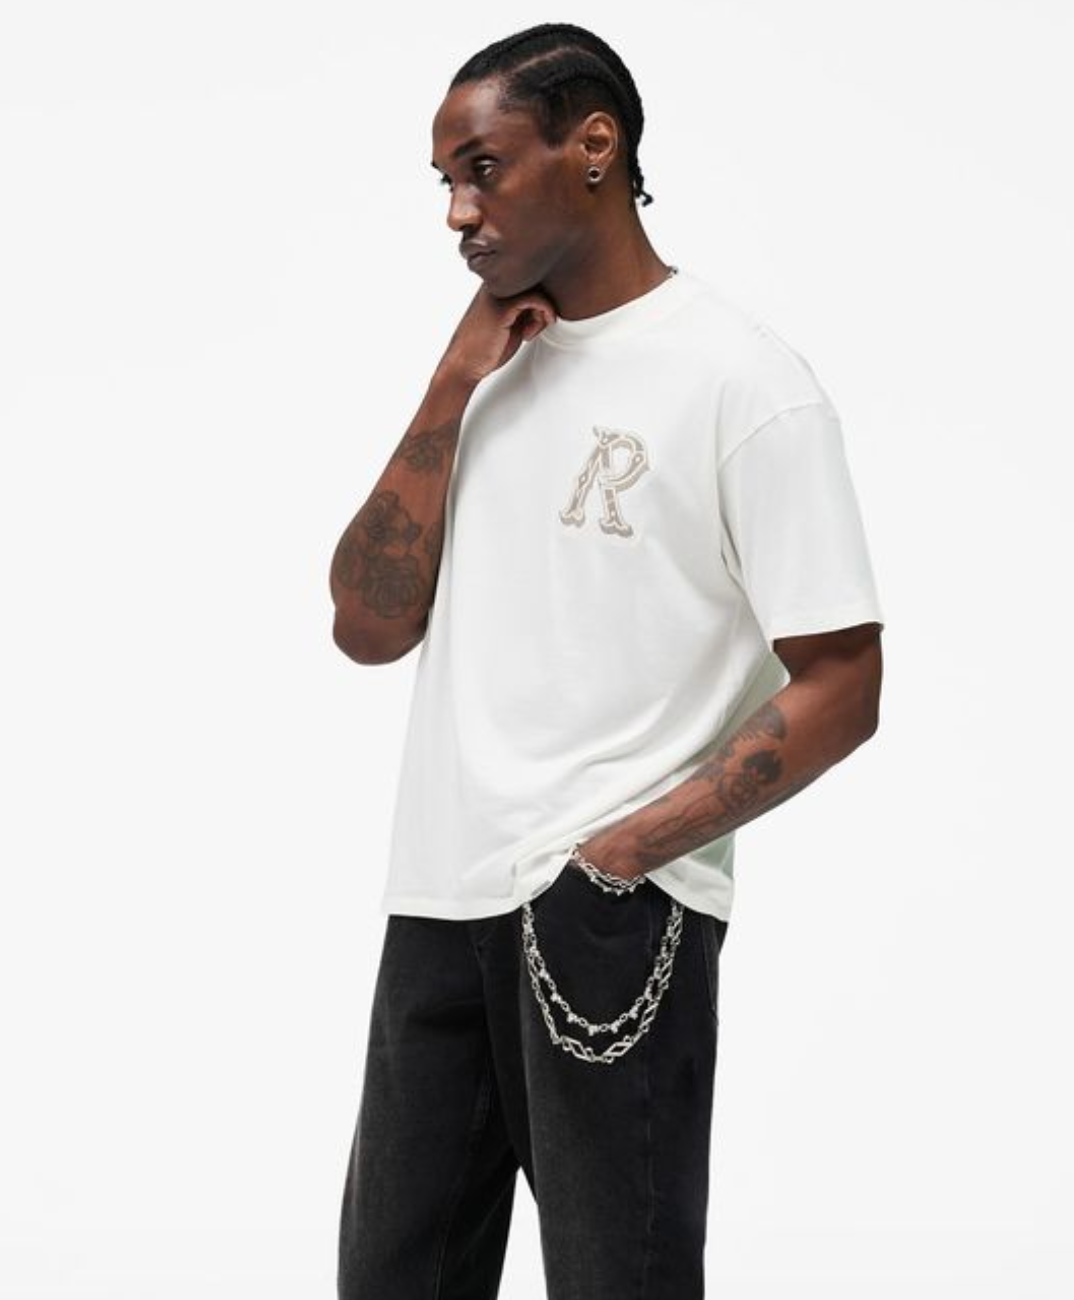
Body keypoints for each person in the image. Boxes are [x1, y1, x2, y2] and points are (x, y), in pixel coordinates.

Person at [328, 21, 885, 1300]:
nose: (457, 213)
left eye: (482, 170)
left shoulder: (742, 383)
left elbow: (844, 681)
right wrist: (451, 381)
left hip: (608, 915)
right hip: (436, 898)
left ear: (594, 146)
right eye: (444, 184)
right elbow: (365, 626)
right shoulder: (489, 374)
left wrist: (627, 852)